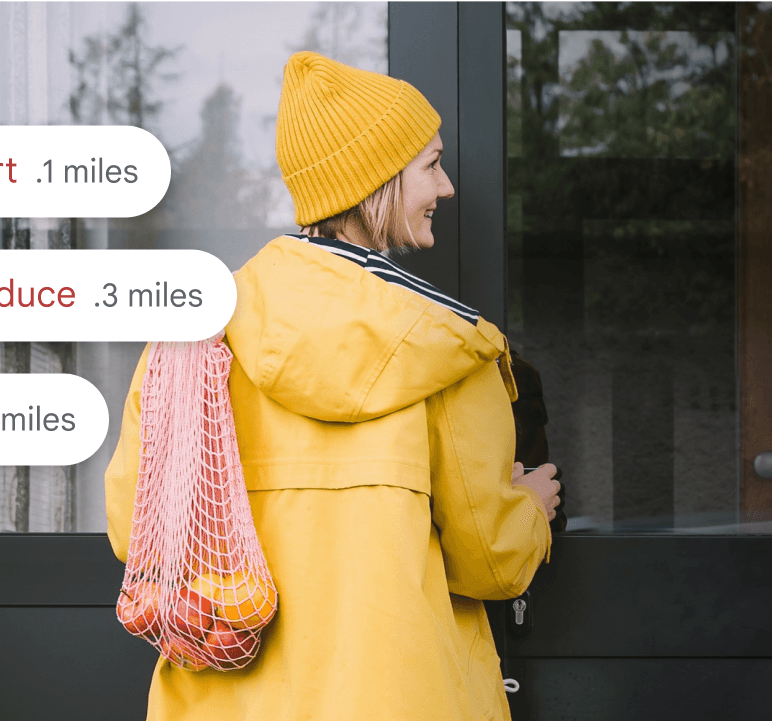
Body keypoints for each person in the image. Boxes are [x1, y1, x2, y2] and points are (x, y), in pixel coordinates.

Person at [105, 51, 562, 720]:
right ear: (375, 180)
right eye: (431, 166)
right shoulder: (449, 344)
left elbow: (134, 532)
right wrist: (531, 508)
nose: (448, 187)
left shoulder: (192, 338)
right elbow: (489, 562)